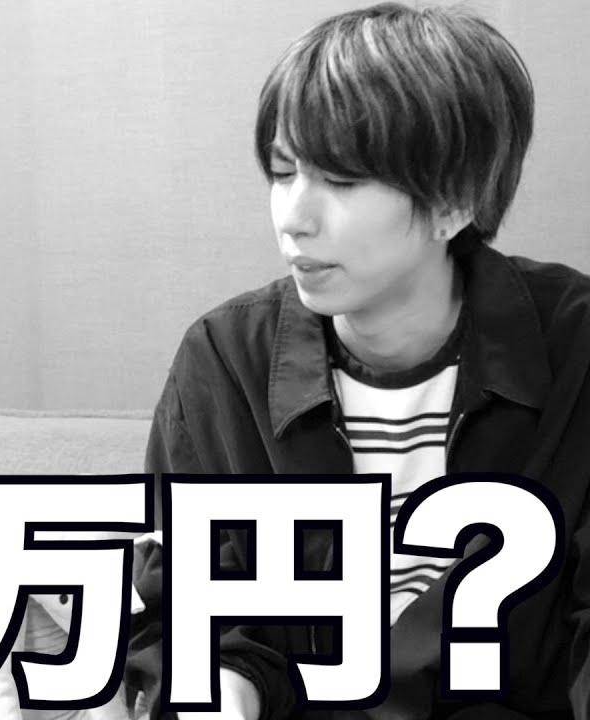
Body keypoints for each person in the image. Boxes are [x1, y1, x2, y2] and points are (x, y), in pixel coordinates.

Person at [140, 3, 590, 719]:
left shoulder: (576, 345)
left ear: (454, 201)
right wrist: (223, 691)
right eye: (282, 173)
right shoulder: (225, 359)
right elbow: (189, 615)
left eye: (341, 182)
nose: (293, 218)